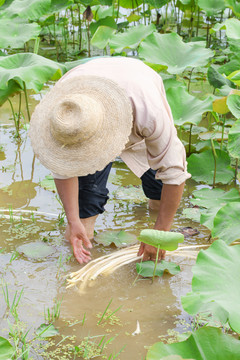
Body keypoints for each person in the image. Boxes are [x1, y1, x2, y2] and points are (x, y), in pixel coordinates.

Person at [29, 57, 191, 265]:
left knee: (159, 190)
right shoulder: (64, 114)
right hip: (85, 106)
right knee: (84, 205)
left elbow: (174, 173)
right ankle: (79, 267)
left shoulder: (148, 112)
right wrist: (73, 220)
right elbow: (64, 170)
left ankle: (155, 220)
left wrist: (160, 233)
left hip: (134, 95)